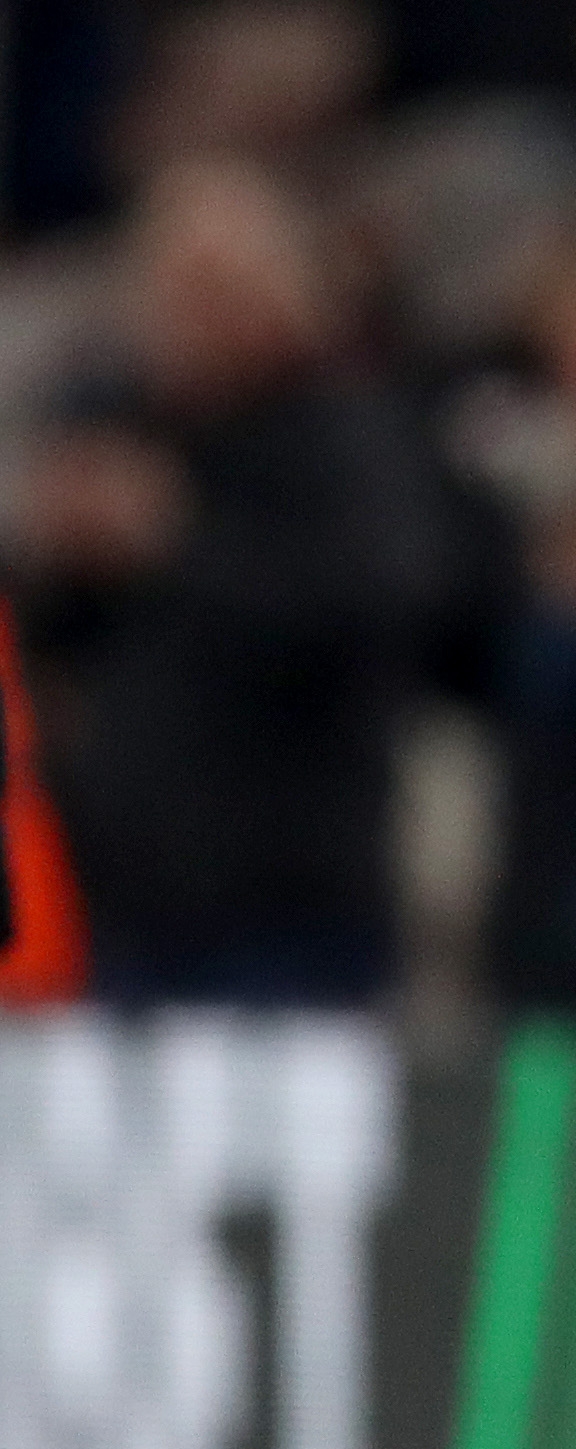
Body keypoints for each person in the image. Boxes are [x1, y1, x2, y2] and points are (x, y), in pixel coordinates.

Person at [13, 158, 439, 1005]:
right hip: (122, 900)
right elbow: (57, 635)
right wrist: (60, 553)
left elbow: (383, 600)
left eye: (216, 288)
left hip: (292, 914)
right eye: (171, 287)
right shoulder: (117, 419)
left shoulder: (344, 430)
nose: (189, 317)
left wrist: (176, 545)